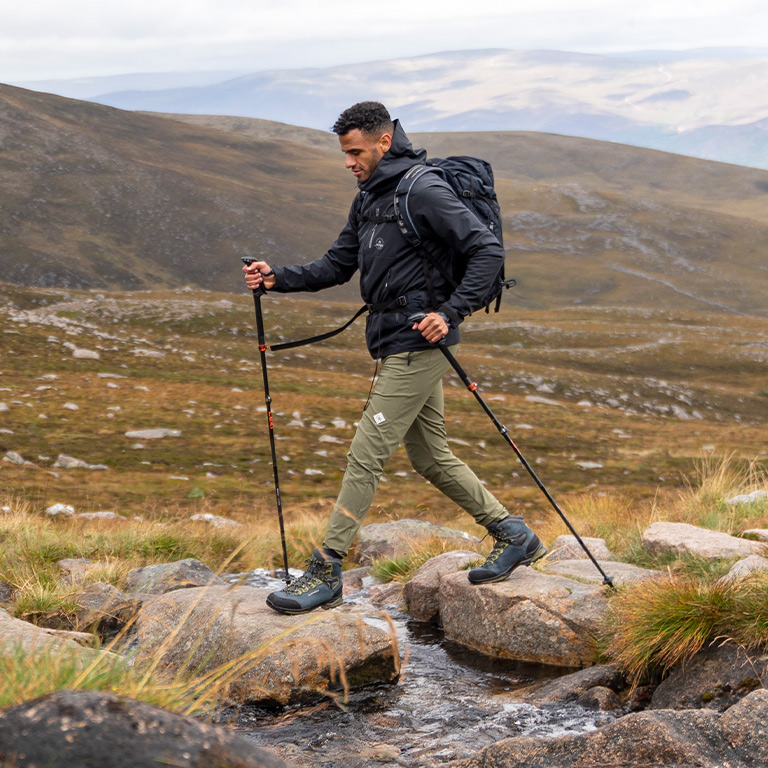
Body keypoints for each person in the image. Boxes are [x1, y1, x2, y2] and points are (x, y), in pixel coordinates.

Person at [243, 101, 545, 615]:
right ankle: (514, 535)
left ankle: (326, 569)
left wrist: (450, 312)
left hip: (418, 343)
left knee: (366, 454)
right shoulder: (369, 198)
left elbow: (486, 250)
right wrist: (278, 279)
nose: (348, 162)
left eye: (356, 151)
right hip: (391, 340)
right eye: (344, 153)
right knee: (429, 456)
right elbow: (339, 264)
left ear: (384, 142)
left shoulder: (422, 189)